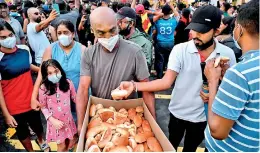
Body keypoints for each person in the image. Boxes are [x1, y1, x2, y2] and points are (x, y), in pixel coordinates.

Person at [118, 5, 236, 152]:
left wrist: (217, 85)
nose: (195, 35)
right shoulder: (180, 50)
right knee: (170, 146)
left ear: (216, 30)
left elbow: (229, 90)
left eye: (202, 31)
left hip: (202, 118)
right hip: (177, 113)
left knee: (190, 148)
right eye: (194, 29)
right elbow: (166, 81)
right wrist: (134, 86)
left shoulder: (227, 54)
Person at [76, 7, 155, 134]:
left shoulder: (135, 52)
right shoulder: (88, 54)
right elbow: (83, 90)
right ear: (93, 31)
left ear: (118, 26)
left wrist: (153, 123)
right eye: (101, 33)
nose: (108, 37)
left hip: (129, 118)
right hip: (99, 115)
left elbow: (147, 89)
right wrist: (80, 124)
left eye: (112, 30)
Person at [204, 0, 259, 151]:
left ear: (240, 29)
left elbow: (217, 131)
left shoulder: (240, 73)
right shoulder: (243, 72)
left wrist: (213, 81)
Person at [0, 20, 49, 152]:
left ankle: (41, 141)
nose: (8, 39)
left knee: (38, 125)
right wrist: (6, 114)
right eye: (3, 37)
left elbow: (28, 66)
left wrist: (45, 70)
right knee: (22, 131)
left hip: (31, 98)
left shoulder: (24, 49)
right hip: (13, 104)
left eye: (10, 35)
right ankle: (30, 150)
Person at [31, 20, 87, 130]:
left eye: (66, 32)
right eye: (59, 33)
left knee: (81, 125)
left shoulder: (83, 50)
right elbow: (41, 74)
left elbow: (88, 77)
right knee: (62, 127)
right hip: (58, 98)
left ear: (73, 33)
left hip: (79, 95)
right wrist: (34, 97)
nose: (62, 36)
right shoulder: (51, 49)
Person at [39, 59, 77, 152]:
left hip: (68, 121)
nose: (54, 75)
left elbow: (75, 99)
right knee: (61, 146)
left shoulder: (68, 83)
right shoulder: (43, 88)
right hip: (55, 124)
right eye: (50, 73)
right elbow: (43, 107)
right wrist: (53, 120)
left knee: (70, 143)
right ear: (46, 75)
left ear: (60, 70)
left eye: (56, 71)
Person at [117, 6, 153, 72]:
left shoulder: (144, 44)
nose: (118, 24)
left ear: (131, 24)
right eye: (117, 21)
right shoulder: (117, 38)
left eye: (121, 22)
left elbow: (145, 70)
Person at [154, 3, 179, 79]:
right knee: (169, 61)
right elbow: (177, 15)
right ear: (170, 11)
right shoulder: (174, 21)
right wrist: (172, 6)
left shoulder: (158, 21)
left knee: (160, 61)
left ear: (162, 11)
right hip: (170, 43)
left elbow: (154, 15)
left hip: (160, 43)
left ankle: (159, 77)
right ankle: (169, 77)